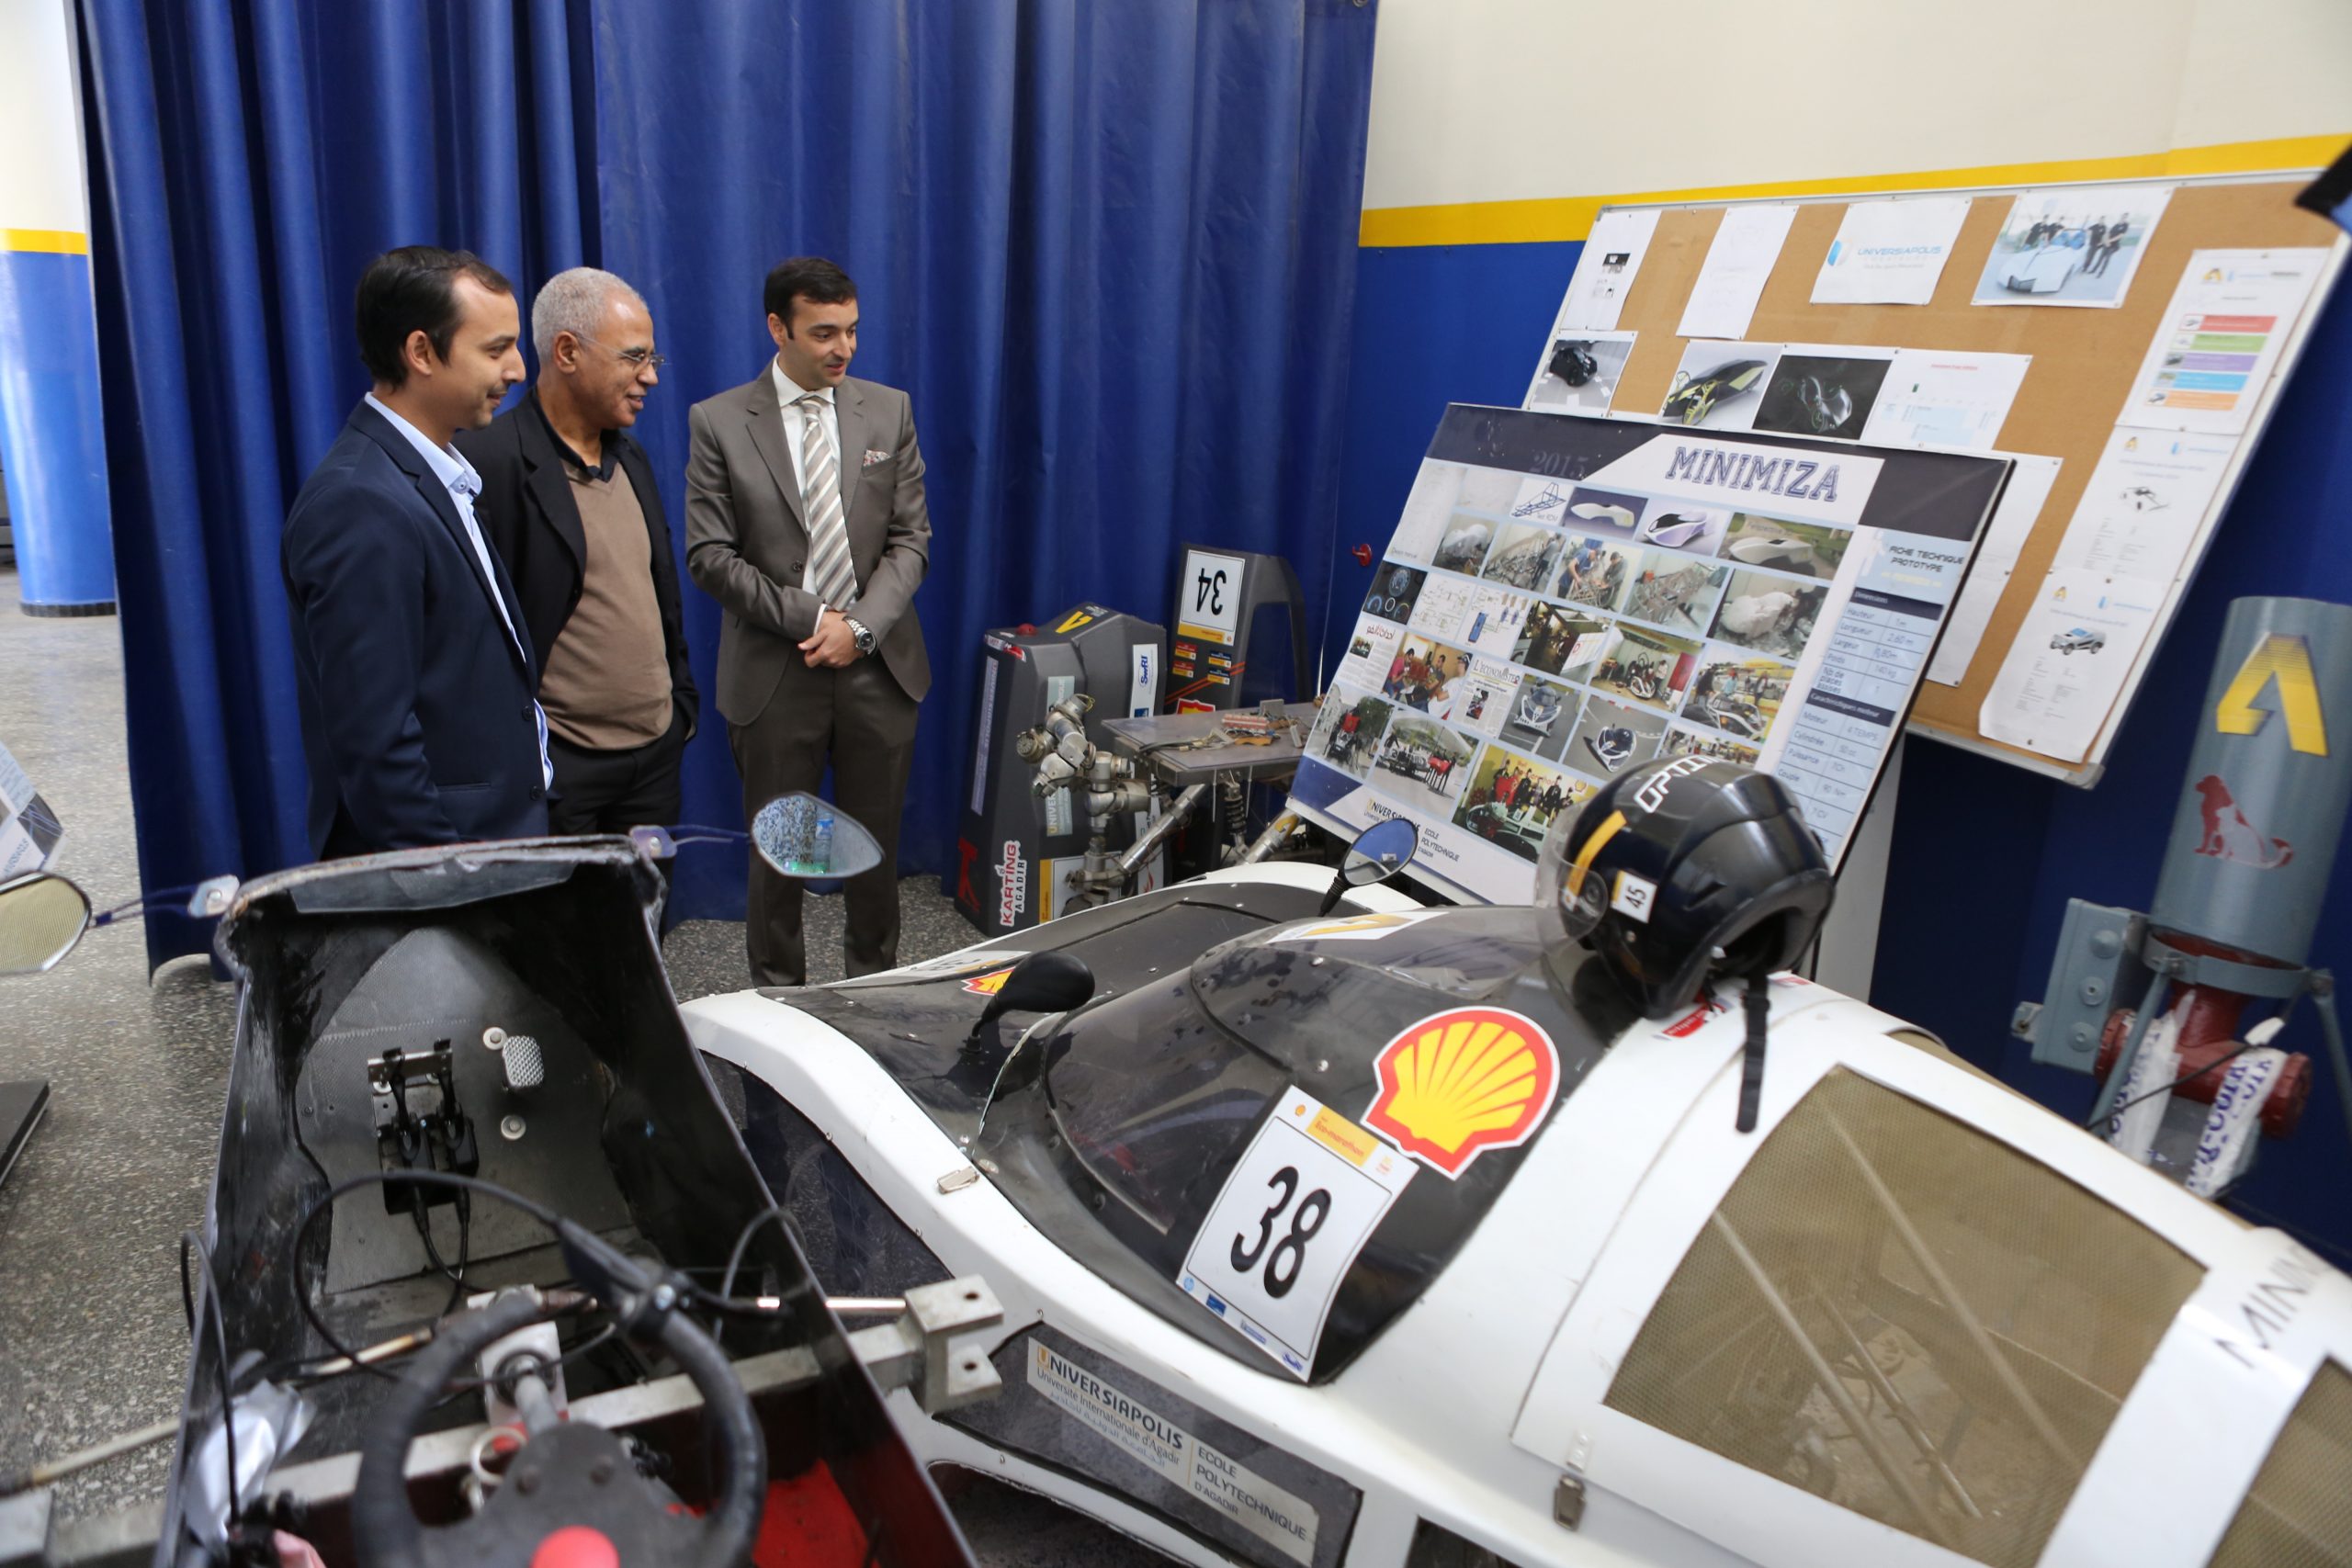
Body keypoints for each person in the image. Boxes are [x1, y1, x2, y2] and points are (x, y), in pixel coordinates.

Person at [686, 256, 932, 985]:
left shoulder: (888, 411)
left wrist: (857, 628)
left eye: (852, 331)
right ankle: (778, 1010)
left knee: (876, 855)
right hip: (775, 677)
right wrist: (813, 617)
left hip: (876, 670)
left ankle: (871, 996)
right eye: (824, 332)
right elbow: (708, 555)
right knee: (778, 862)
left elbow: (912, 540)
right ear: (777, 327)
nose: (843, 349)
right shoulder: (720, 421)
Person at [283, 246, 548, 858]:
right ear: (421, 351)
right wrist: (453, 889)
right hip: (446, 876)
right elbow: (377, 746)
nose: (516, 370)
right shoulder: (359, 502)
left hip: (495, 850)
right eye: (494, 349)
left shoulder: (437, 477)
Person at [458, 267, 698, 837]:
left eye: (653, 362)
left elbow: (659, 592)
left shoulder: (632, 458)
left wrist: (680, 711)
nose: (650, 379)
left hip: (656, 760)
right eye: (634, 359)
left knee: (644, 922)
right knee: (564, 926)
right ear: (567, 352)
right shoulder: (488, 464)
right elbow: (476, 641)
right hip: (562, 771)